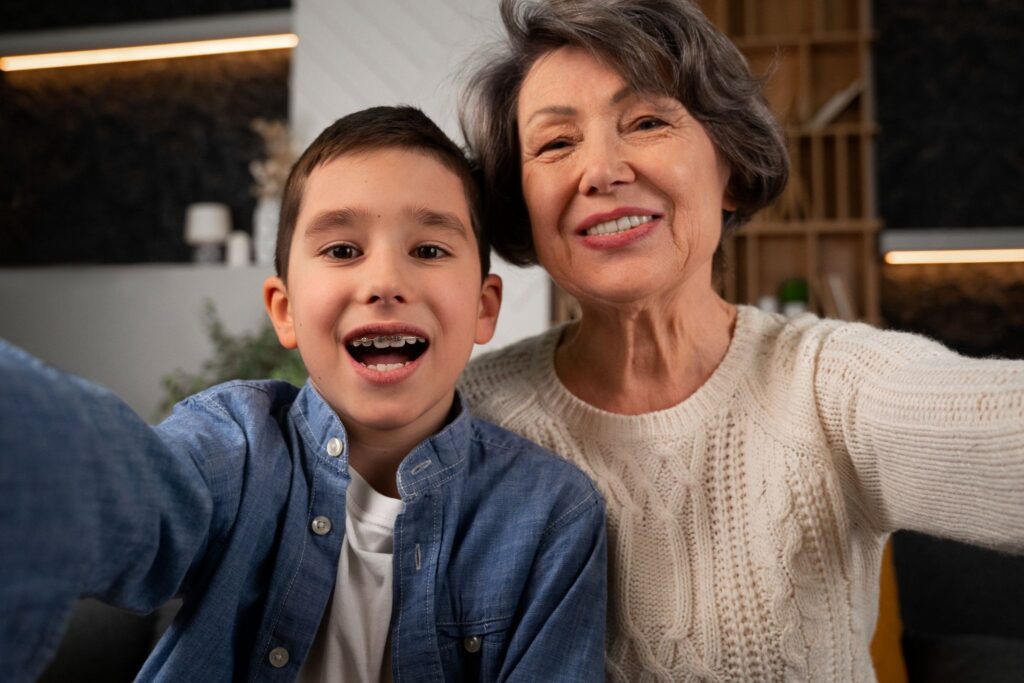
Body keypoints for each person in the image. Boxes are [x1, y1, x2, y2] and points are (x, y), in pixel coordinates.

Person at [457, 1, 1024, 680]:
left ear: (728, 165)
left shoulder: (828, 385)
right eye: (555, 143)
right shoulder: (471, 417)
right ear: (520, 201)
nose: (601, 170)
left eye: (645, 122)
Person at [0, 106, 607, 682]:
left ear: (483, 307)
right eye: (342, 250)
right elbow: (121, 492)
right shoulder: (234, 444)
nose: (386, 282)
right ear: (284, 311)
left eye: (428, 249)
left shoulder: (552, 514)